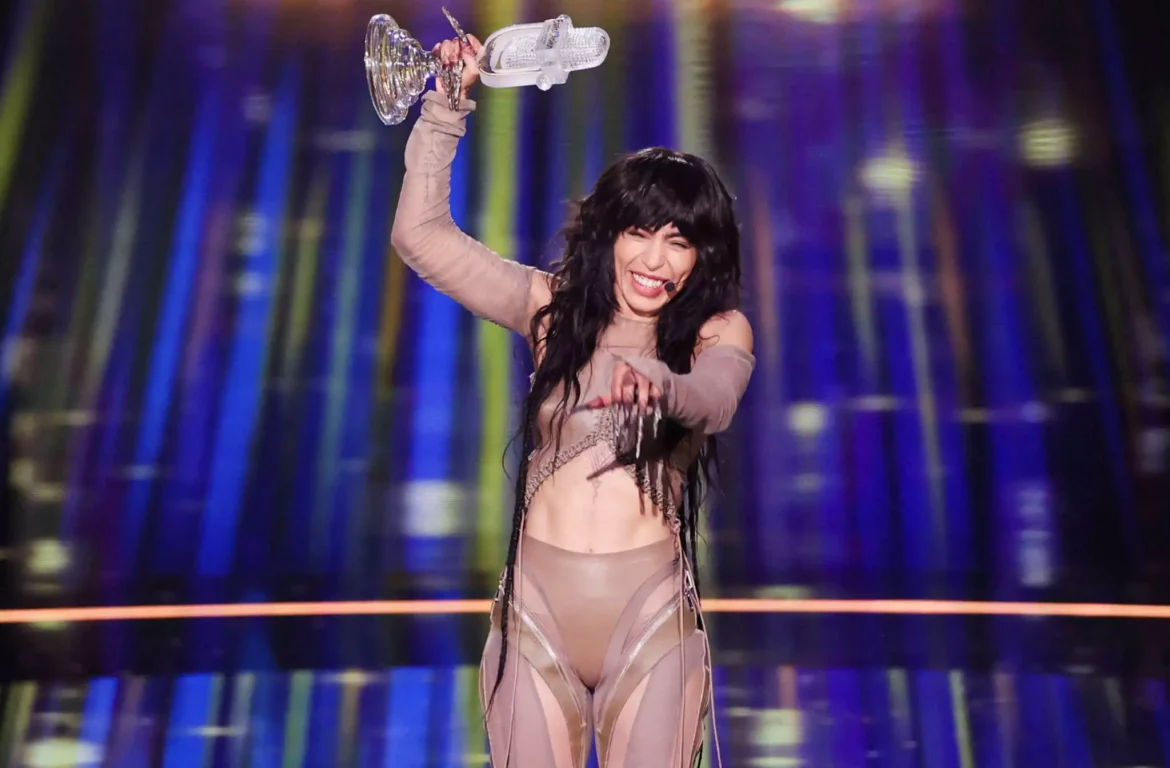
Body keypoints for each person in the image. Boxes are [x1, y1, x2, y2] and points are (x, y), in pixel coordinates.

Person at [391, 34, 755, 768]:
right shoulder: (549, 309)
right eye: (640, 233)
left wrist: (665, 386)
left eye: (679, 242)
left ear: (702, 255)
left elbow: (715, 399)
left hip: (650, 620)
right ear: (608, 233)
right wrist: (445, 109)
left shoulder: (716, 330)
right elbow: (420, 237)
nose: (655, 260)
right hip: (535, 613)